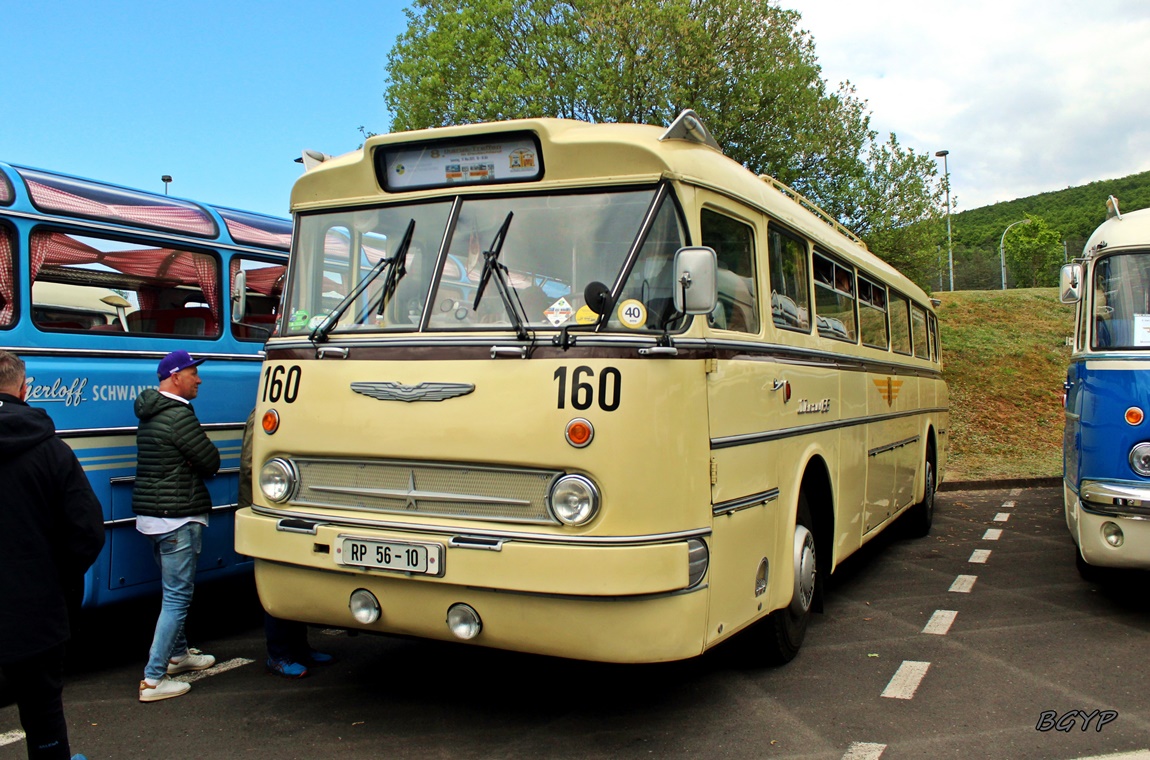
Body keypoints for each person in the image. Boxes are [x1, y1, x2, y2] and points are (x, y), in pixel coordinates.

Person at [0, 350, 104, 760]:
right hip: (34, 608)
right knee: (41, 710)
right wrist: (55, 581)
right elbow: (87, 532)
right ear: (25, 389)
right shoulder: (53, 451)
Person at [133, 350, 221, 702]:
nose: (198, 379)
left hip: (153, 519)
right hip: (178, 517)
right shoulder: (179, 417)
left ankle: (178, 656)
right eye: (191, 373)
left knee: (171, 591)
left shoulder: (151, 412)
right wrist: (193, 460)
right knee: (177, 598)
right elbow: (211, 461)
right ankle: (154, 679)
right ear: (174, 377)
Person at [238, 410, 333, 678]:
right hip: (272, 511)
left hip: (295, 509)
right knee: (278, 580)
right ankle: (278, 655)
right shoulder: (265, 413)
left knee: (296, 579)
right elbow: (251, 465)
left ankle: (300, 648)